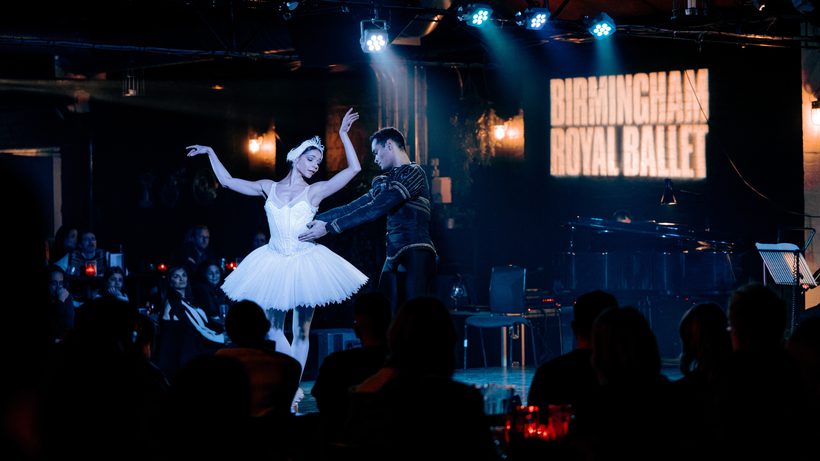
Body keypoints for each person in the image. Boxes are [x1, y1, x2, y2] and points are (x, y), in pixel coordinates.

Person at [186, 107, 367, 374]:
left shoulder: (315, 191)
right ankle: (289, 377)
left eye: (318, 162)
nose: (316, 165)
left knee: (301, 331)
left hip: (306, 260)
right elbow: (226, 181)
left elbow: (354, 168)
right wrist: (211, 152)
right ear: (296, 157)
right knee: (273, 328)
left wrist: (342, 133)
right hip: (273, 260)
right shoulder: (268, 187)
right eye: (312, 159)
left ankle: (292, 386)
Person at [298, 126, 437, 313]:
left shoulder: (414, 173)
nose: (375, 158)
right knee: (385, 312)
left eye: (376, 152)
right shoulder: (384, 182)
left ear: (389, 145)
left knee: (414, 314)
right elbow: (354, 206)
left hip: (416, 250)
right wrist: (310, 219)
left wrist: (329, 227)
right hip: (394, 254)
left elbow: (374, 209)